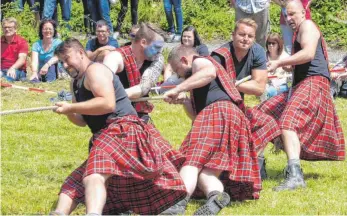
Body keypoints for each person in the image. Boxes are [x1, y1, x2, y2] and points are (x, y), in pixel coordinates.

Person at [50, 38, 187, 215]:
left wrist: (72, 107)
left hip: (123, 129)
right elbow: (82, 120)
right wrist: (68, 111)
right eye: (62, 61)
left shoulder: (96, 70)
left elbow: (107, 104)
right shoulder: (75, 83)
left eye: (67, 58)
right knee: (74, 183)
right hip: (106, 134)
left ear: (80, 53)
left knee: (94, 175)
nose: (66, 64)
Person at [161, 46, 261, 215]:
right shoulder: (196, 81)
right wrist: (185, 101)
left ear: (184, 60)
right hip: (231, 116)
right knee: (207, 172)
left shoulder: (200, 61)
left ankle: (176, 205)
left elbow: (209, 73)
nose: (179, 75)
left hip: (218, 112)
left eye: (178, 70)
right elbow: (197, 116)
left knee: (191, 162)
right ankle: (216, 196)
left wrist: (179, 88)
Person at [257, 0, 345, 191]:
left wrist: (280, 63)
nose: (289, 18)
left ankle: (295, 175)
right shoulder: (299, 31)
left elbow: (309, 53)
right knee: (262, 112)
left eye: (292, 14)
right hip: (300, 84)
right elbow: (300, 59)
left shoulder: (308, 26)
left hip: (314, 83)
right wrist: (287, 65)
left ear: (303, 12)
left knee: (288, 123)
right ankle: (258, 166)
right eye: (286, 15)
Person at [210, 18, 281, 179]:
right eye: (241, 34)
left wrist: (232, 84)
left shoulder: (257, 51)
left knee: (266, 123)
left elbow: (259, 88)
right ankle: (227, 170)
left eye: (250, 36)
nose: (245, 39)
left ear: (254, 38)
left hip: (237, 106)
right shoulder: (219, 56)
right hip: (218, 107)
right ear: (233, 35)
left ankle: (255, 162)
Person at [103, 23, 165, 123]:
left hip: (140, 116)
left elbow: (143, 88)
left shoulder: (157, 58)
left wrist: (115, 96)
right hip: (114, 116)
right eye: (157, 47)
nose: (160, 51)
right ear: (143, 42)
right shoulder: (115, 57)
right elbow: (102, 86)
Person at [160, 26, 209, 93]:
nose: (186, 38)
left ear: (195, 38)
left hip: (195, 76)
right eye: (184, 36)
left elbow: (204, 68)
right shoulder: (178, 49)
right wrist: (166, 82)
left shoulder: (202, 48)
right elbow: (169, 67)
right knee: (168, 84)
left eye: (189, 37)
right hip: (180, 77)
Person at [260, 32, 292, 102]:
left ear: (278, 45)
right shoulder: (263, 56)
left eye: (273, 43)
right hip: (266, 85)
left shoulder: (285, 57)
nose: (271, 45)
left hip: (281, 86)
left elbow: (290, 71)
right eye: (269, 43)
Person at [1, 17, 29, 82]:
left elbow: (22, 59)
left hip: (17, 69)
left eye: (10, 27)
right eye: (5, 27)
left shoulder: (22, 42)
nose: (7, 29)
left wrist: (12, 68)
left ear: (15, 29)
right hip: (2, 69)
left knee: (7, 79)